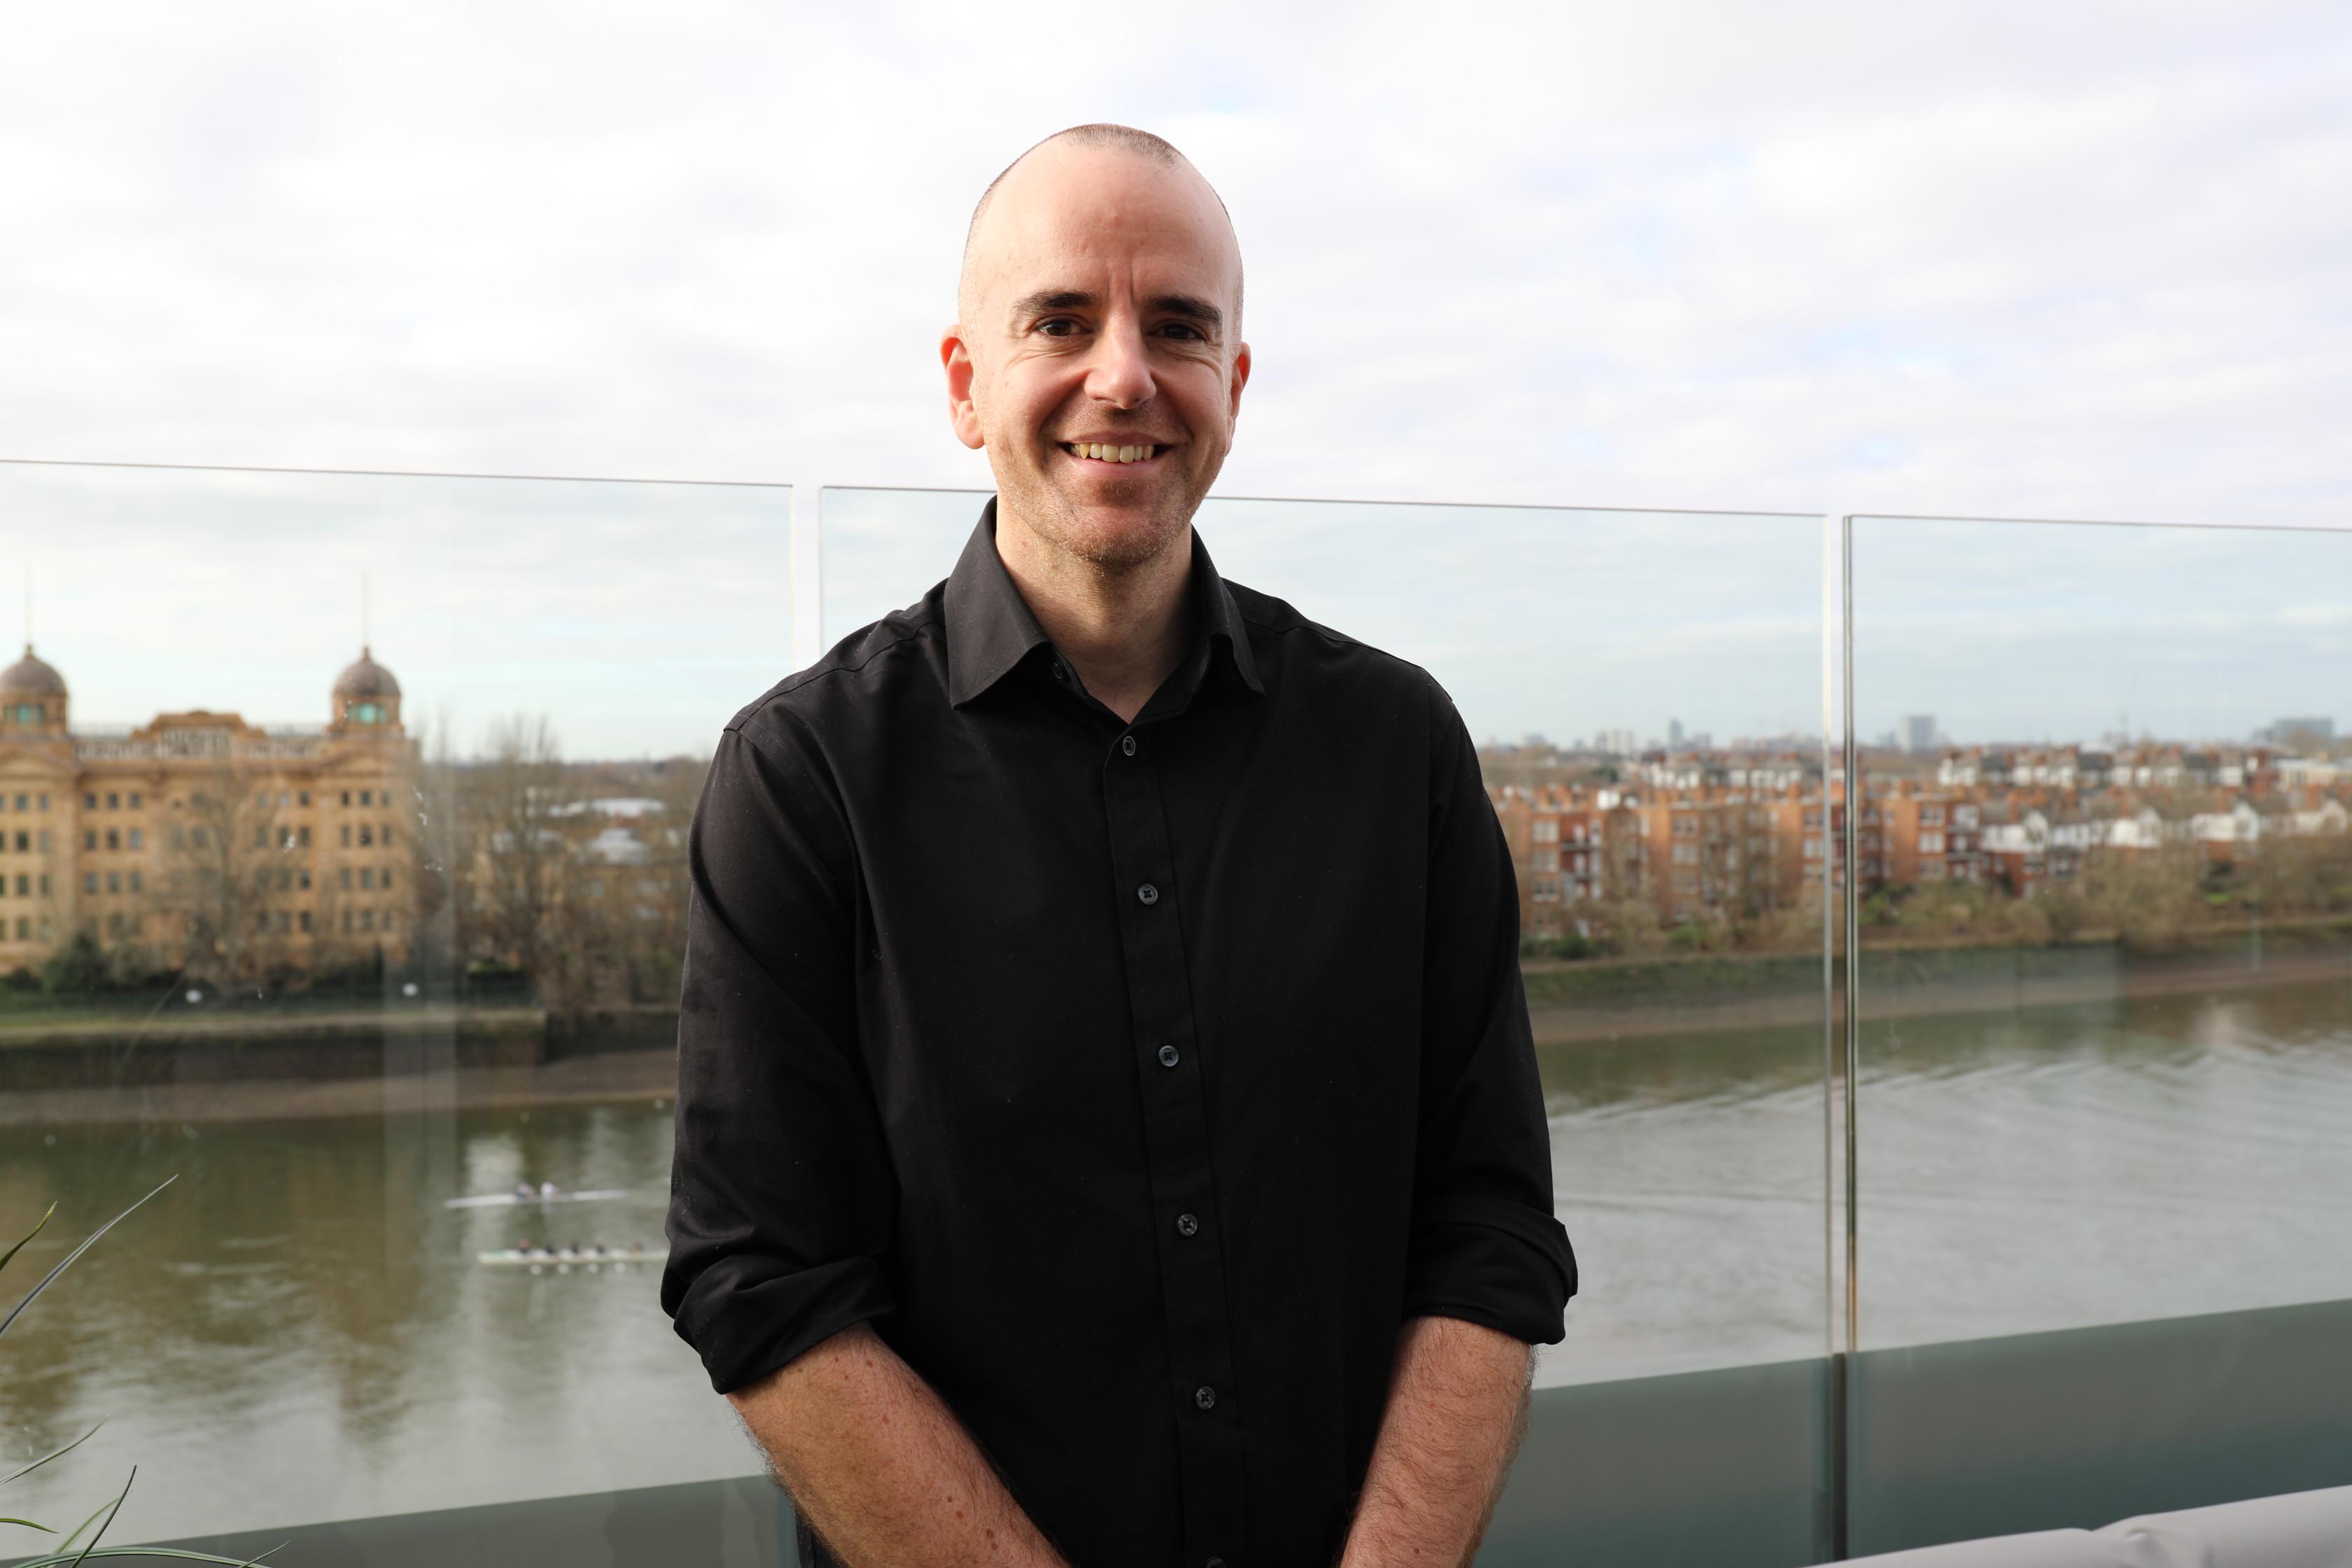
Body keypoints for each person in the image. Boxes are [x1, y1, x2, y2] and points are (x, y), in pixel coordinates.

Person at [662, 122, 1574, 1568]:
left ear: (1234, 386)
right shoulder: (803, 776)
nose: (1125, 375)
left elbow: (1490, 1226)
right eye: (1061, 323)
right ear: (966, 386)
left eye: (1178, 327)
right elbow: (764, 1282)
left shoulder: (1397, 749)